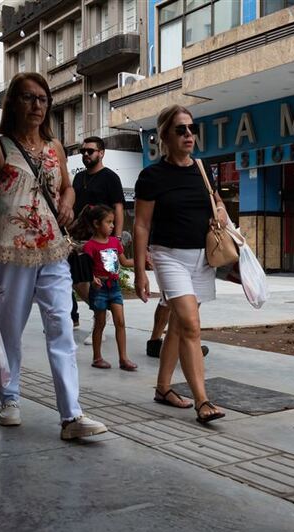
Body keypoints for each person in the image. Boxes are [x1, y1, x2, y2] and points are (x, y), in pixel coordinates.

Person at [0, 72, 106, 441]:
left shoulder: (55, 148)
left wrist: (66, 201)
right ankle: (9, 398)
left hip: (52, 250)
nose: (37, 106)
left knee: (61, 325)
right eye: (28, 98)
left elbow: (67, 188)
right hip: (10, 252)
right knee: (9, 330)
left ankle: (71, 415)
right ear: (13, 103)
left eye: (43, 99)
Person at [134, 105, 227, 424]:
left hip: (202, 257)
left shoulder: (203, 168)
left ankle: (163, 388)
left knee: (178, 324)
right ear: (164, 136)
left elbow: (215, 200)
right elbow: (142, 225)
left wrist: (221, 209)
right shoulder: (152, 176)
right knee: (190, 324)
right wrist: (139, 273)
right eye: (181, 130)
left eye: (192, 128)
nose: (189, 134)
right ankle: (203, 401)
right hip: (168, 255)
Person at [70, 135, 124, 330]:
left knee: (108, 281)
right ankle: (100, 312)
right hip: (80, 239)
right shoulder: (78, 177)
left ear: (101, 153)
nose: (85, 154)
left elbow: (118, 208)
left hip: (104, 240)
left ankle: (103, 316)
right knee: (79, 280)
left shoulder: (111, 177)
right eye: (83, 151)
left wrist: (116, 238)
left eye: (90, 151)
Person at [79, 204, 137, 370]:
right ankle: (97, 358)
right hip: (100, 289)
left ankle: (123, 358)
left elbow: (124, 261)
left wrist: (141, 262)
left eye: (113, 222)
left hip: (114, 287)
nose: (112, 226)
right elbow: (86, 269)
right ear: (97, 224)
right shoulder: (90, 246)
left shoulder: (114, 242)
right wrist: (92, 279)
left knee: (120, 322)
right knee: (100, 323)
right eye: (109, 222)